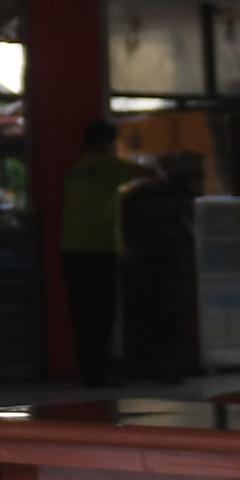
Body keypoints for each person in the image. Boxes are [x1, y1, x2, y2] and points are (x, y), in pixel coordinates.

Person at [55, 120, 144, 383]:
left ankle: (88, 371)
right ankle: (100, 372)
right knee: (102, 313)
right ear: (108, 143)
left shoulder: (75, 169)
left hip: (70, 249)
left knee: (81, 314)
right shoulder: (109, 166)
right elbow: (153, 174)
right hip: (100, 249)